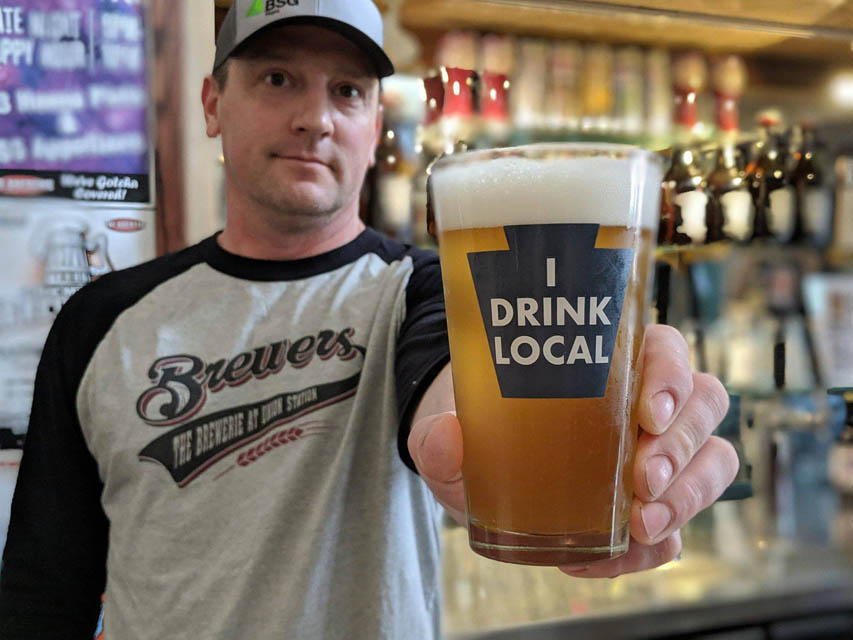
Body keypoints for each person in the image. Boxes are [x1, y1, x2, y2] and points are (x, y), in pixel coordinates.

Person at [0, 1, 739, 638]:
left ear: (374, 122)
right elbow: (44, 588)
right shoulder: (103, 317)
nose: (315, 118)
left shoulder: (427, 287)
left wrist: (489, 471)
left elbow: (447, 396)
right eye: (277, 77)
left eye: (347, 90)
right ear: (211, 102)